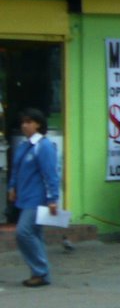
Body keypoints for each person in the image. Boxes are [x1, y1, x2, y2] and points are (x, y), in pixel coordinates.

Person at [6, 108, 60, 287]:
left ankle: (40, 271)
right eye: (23, 122)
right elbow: (16, 168)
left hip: (37, 198)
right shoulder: (24, 145)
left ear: (38, 124)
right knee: (35, 234)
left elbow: (51, 174)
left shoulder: (43, 146)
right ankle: (40, 273)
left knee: (23, 232)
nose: (24, 125)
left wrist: (53, 198)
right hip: (25, 196)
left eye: (29, 122)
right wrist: (12, 187)